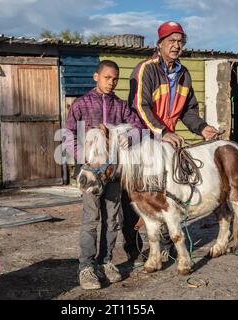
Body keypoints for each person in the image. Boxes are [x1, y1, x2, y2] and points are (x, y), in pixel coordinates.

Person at [125, 21, 220, 262]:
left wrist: (202, 128)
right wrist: (161, 131)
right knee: (137, 196)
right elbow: (140, 106)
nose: (176, 46)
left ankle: (165, 246)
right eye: (171, 41)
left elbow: (188, 110)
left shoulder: (184, 74)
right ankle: (133, 247)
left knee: (167, 194)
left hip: (167, 140)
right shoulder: (146, 69)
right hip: (143, 139)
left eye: (180, 41)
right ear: (159, 44)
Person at [64, 60, 144, 290]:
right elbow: (68, 133)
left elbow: (138, 127)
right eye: (107, 77)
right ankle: (86, 267)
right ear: (95, 77)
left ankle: (105, 261)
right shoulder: (81, 104)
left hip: (113, 173)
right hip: (90, 171)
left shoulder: (120, 106)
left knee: (113, 219)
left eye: (115, 78)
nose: (111, 82)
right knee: (91, 218)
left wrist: (127, 139)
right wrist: (83, 156)